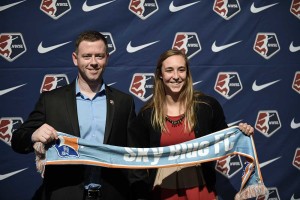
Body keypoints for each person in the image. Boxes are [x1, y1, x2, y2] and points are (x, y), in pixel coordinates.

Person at [11, 31, 136, 200]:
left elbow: (134, 154)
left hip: (112, 194)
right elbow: (18, 140)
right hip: (64, 194)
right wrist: (33, 135)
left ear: (107, 58)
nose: (93, 62)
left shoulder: (124, 102)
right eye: (86, 56)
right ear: (75, 58)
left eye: (99, 56)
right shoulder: (51, 100)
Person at [128, 49, 254, 200]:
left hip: (201, 191)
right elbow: (135, 160)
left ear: (187, 73)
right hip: (163, 193)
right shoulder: (147, 114)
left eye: (181, 70)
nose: (176, 76)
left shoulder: (207, 106)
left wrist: (242, 133)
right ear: (160, 74)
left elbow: (225, 141)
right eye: (169, 70)